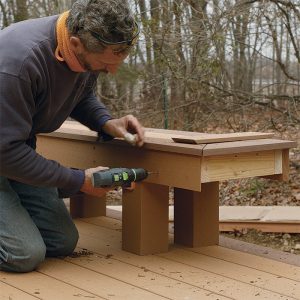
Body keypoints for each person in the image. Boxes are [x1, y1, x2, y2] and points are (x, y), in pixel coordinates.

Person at [0, 0, 144, 273]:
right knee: (23, 254)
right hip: (6, 153)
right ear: (76, 44)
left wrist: (105, 121)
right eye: (104, 64)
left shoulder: (80, 49)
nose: (111, 71)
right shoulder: (17, 63)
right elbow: (5, 153)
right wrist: (79, 180)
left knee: (61, 241)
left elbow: (80, 94)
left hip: (13, 148)